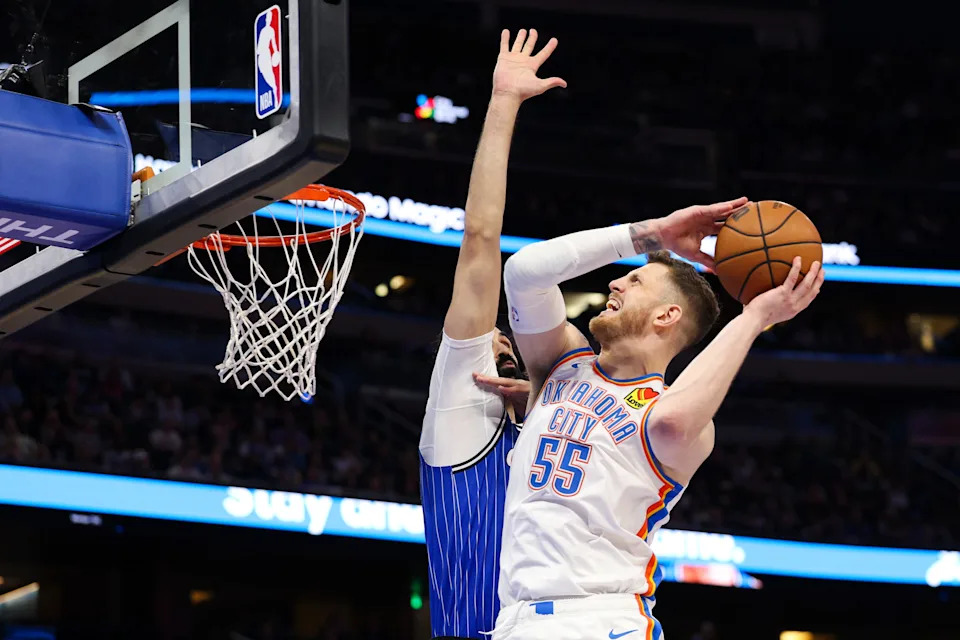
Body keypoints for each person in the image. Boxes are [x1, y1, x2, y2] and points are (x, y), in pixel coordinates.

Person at [488, 200, 825, 640]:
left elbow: (670, 424)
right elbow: (523, 273)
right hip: (515, 619)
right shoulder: (561, 363)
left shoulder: (677, 418)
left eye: (635, 280)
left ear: (667, 315)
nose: (614, 281)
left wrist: (756, 317)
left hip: (601, 620)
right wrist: (651, 234)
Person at [418, 28, 567, 640]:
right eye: (494, 338)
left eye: (509, 340)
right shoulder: (462, 406)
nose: (500, 341)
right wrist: (503, 103)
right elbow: (480, 244)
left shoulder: (560, 438)